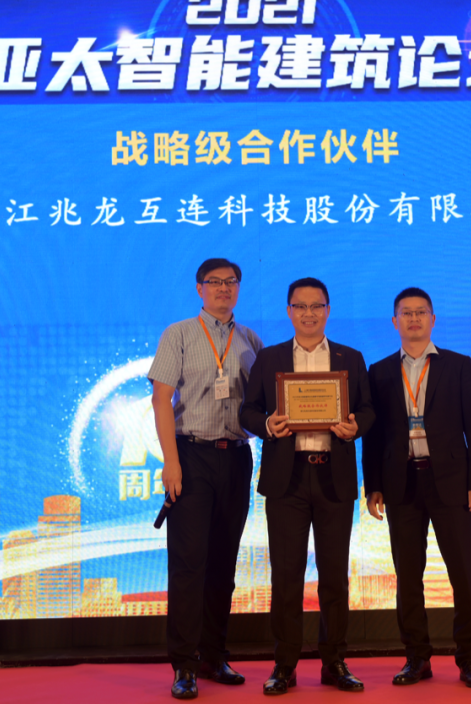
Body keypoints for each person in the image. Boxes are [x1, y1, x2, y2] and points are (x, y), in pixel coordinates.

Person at [240, 277, 375, 696]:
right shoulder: (270, 358)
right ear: (289, 312)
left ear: (328, 311)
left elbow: (368, 409)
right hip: (288, 479)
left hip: (334, 477)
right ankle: (284, 665)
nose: (309, 314)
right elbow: (248, 411)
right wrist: (267, 424)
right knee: (286, 577)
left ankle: (334, 661)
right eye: (300, 306)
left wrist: (355, 426)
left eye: (317, 306)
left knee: (335, 577)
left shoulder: (350, 358)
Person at [362, 287, 471, 689]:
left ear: (433, 320)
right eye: (407, 313)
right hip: (401, 483)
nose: (414, 319)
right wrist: (373, 486)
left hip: (451, 483)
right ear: (395, 321)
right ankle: (416, 658)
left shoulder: (458, 365)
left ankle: (470, 660)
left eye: (421, 312)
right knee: (408, 577)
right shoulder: (380, 371)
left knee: (463, 574)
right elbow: (374, 436)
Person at [149, 258, 264, 700]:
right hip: (190, 456)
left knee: (223, 564)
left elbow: (263, 403)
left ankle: (215, 656)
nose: (223, 289)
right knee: (188, 565)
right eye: (214, 282)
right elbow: (161, 399)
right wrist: (170, 461)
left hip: (236, 457)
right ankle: (184, 664)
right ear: (200, 288)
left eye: (231, 282)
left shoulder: (250, 339)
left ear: (239, 287)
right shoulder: (178, 334)